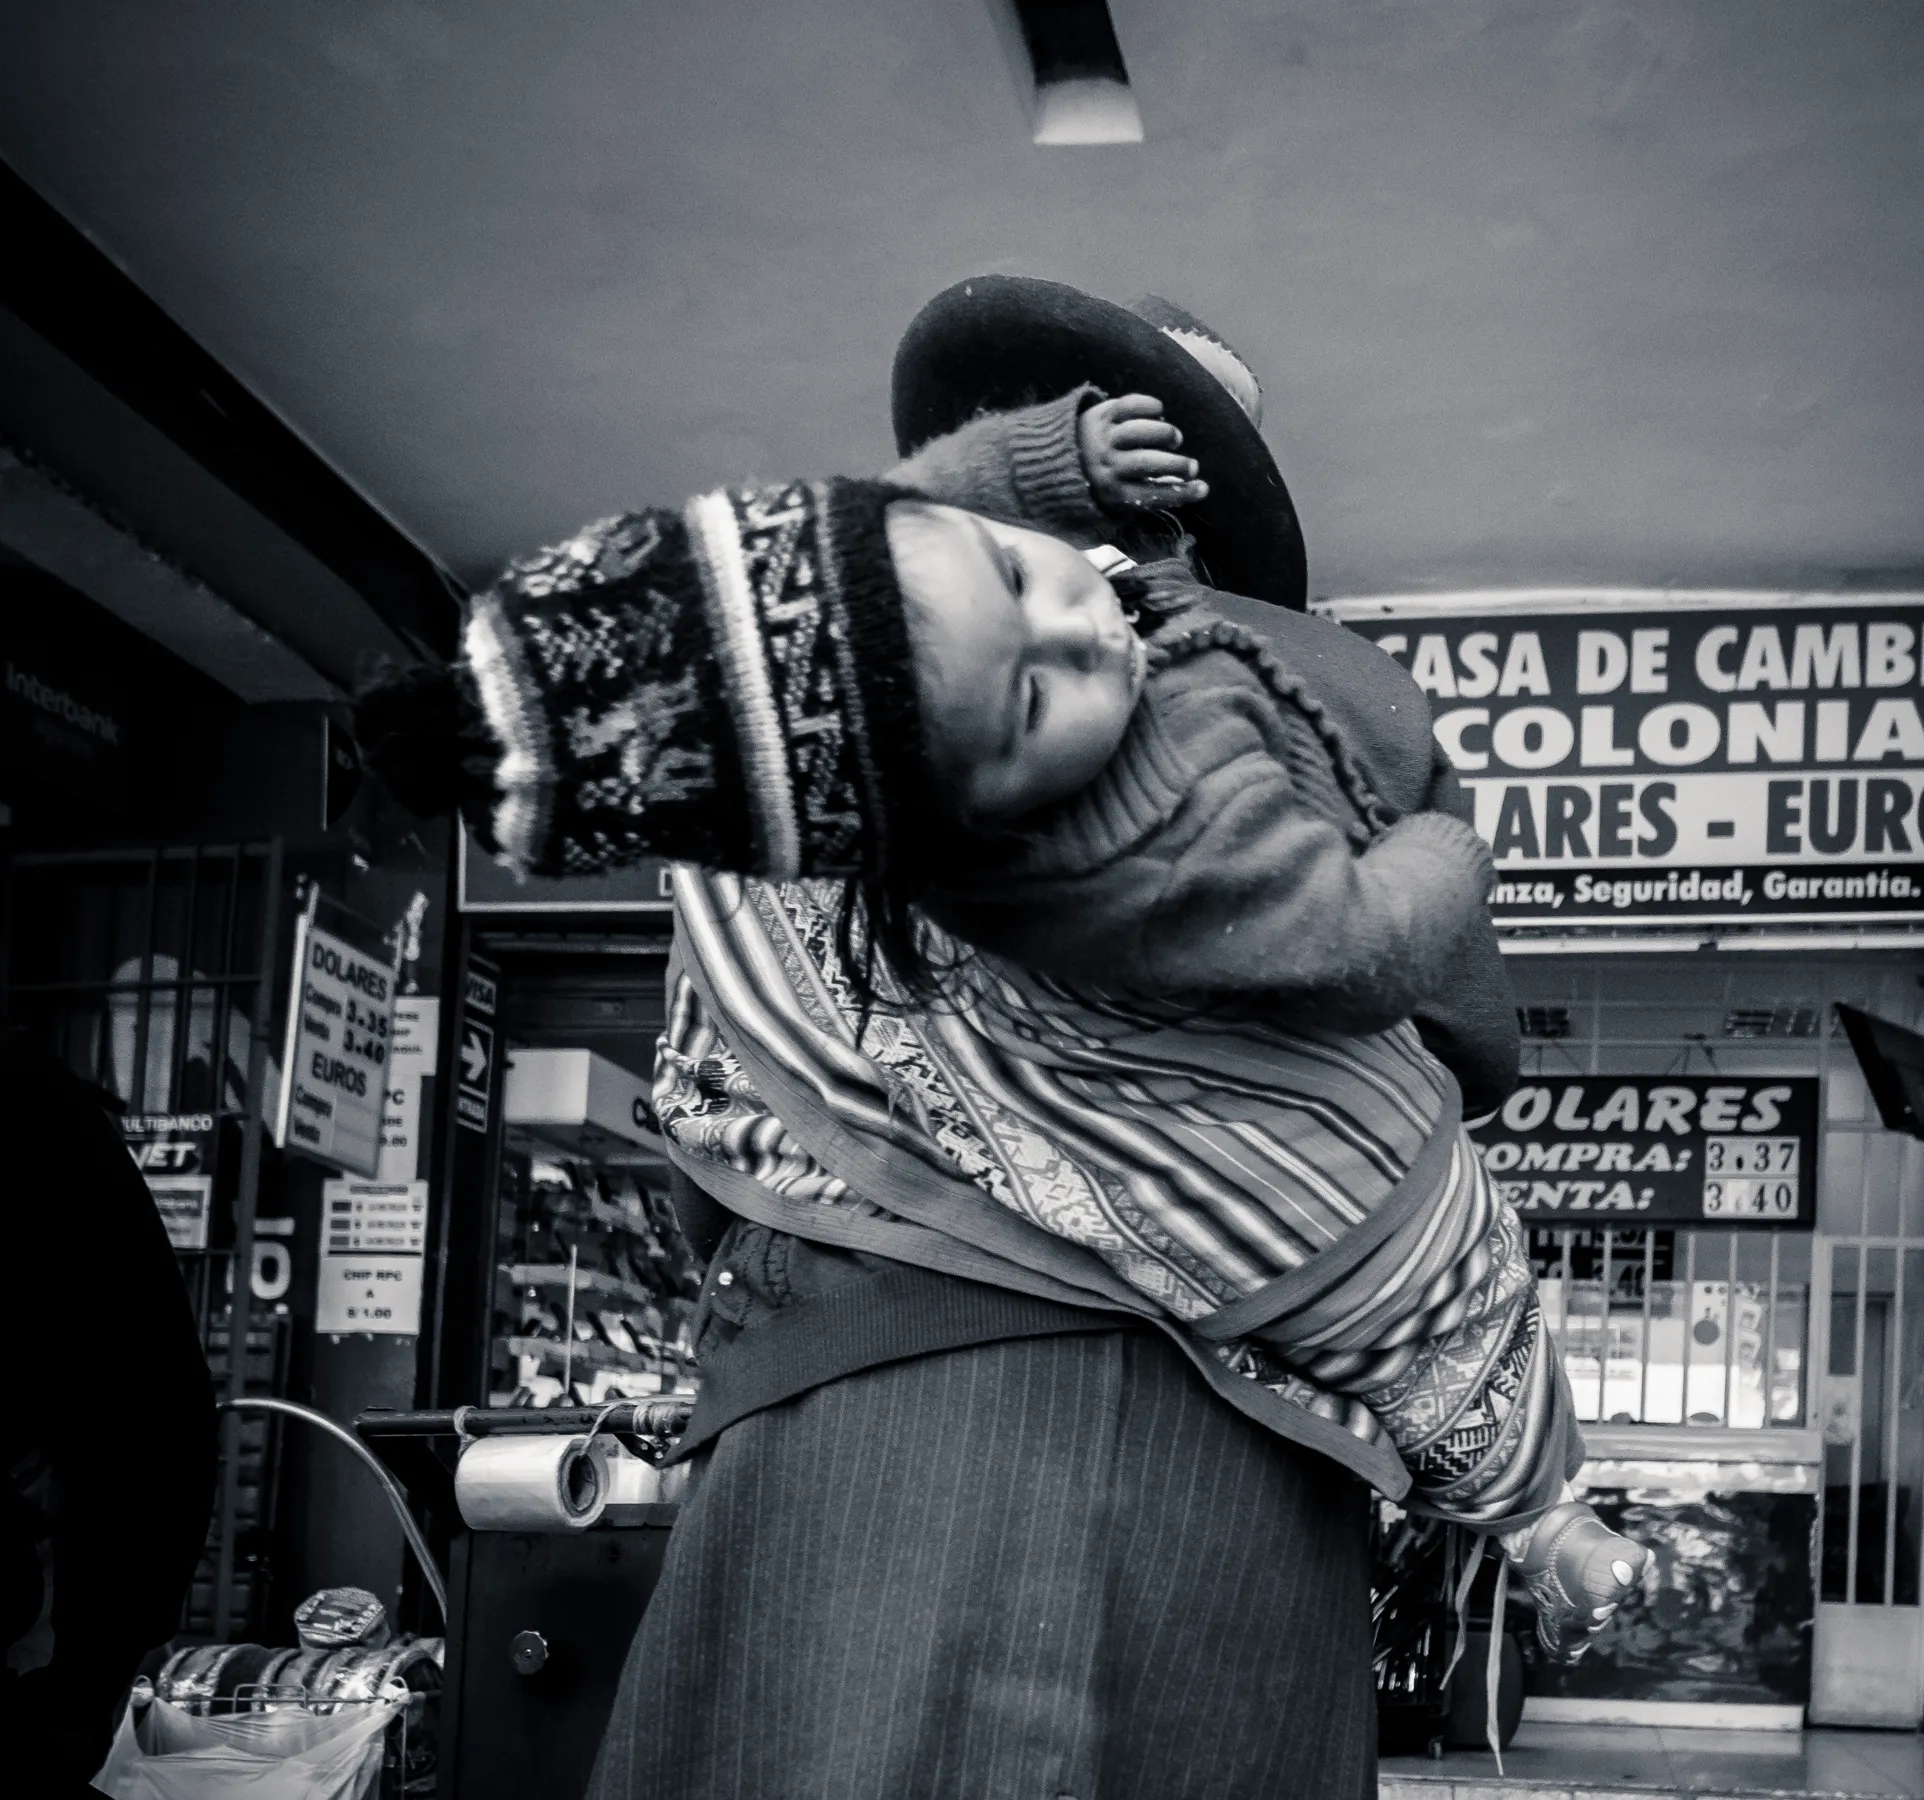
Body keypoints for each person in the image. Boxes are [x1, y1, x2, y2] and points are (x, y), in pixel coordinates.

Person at [359, 284, 1633, 1796]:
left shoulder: (805, 727)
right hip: (1239, 1451)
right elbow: (1452, 1046)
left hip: (852, 1416)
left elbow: (717, 1121)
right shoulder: (1328, 696)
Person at [0, 1029, 218, 1797]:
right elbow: (155, 1412)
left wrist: (85, 1681)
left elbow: (147, 1413)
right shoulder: (35, 1100)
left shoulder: (29, 1105)